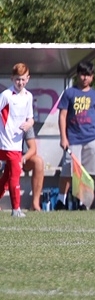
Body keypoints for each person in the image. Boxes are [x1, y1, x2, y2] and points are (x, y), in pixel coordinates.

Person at [56, 62, 95, 210]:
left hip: (91, 139)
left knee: (88, 173)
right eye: (82, 74)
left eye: (88, 75)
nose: (85, 78)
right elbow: (62, 116)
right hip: (73, 139)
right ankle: (61, 201)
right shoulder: (69, 93)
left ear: (92, 77)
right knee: (68, 171)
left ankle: (83, 202)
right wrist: (63, 137)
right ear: (78, 75)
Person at [0, 63, 35, 217]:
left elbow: (31, 118)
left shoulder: (28, 96)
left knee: (7, 177)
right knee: (15, 175)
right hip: (5, 143)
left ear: (28, 79)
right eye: (17, 79)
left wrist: (28, 124)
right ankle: (16, 209)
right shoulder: (7, 95)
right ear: (12, 79)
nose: (20, 82)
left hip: (17, 144)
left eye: (23, 79)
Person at [22, 127, 45, 211]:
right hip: (5, 155)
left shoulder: (26, 124)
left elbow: (33, 149)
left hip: (20, 157)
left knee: (38, 162)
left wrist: (22, 159)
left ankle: (35, 203)